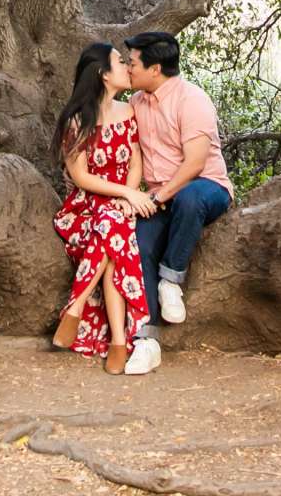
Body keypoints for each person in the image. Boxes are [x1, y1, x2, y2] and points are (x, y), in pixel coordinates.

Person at [48, 41, 161, 375]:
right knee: (113, 233)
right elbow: (81, 177)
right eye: (119, 61)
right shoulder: (76, 119)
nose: (127, 66)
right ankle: (117, 341)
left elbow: (136, 162)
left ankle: (78, 307)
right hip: (84, 210)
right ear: (102, 73)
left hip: (117, 207)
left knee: (113, 238)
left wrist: (128, 195)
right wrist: (127, 195)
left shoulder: (128, 111)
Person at [122, 31, 233, 328]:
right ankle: (147, 337)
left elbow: (195, 164)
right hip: (162, 198)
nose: (127, 68)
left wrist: (157, 197)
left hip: (207, 188)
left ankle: (171, 279)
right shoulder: (135, 102)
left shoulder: (192, 99)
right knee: (139, 243)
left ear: (155, 69)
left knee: (190, 196)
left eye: (132, 63)